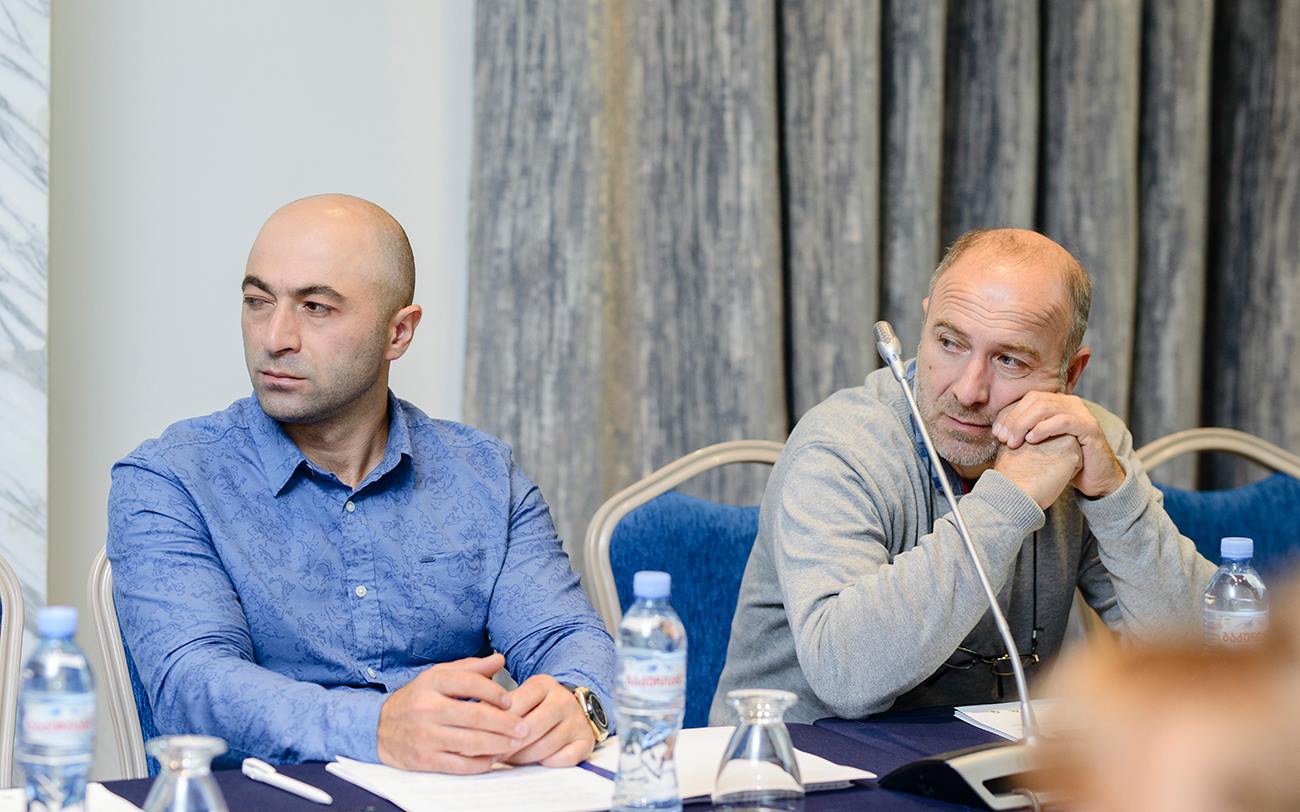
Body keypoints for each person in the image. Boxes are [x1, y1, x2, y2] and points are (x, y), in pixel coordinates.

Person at [109, 194, 614, 773]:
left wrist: (577, 704)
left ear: (398, 332)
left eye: (316, 307)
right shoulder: (169, 480)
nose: (275, 337)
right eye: (257, 302)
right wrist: (377, 728)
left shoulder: (484, 477)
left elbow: (566, 636)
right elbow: (192, 688)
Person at [710, 227, 1216, 725]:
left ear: (1070, 374)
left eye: (1009, 360)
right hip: (794, 765)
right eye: (950, 343)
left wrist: (1114, 498)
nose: (969, 390)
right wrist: (1007, 500)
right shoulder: (840, 446)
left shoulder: (1080, 443)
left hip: (991, 765)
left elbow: (1205, 668)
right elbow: (844, 676)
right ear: (925, 324)